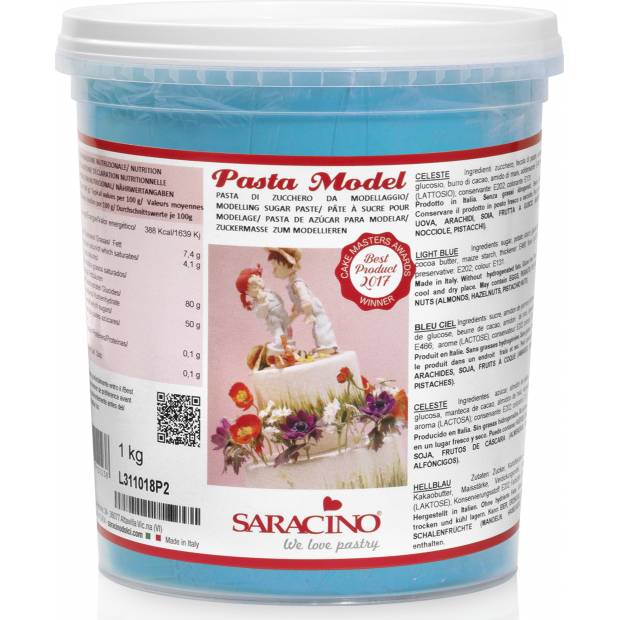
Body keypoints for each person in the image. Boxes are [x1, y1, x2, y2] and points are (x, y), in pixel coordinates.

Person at [266, 248, 338, 353]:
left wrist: (308, 314)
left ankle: (328, 346)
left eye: (275, 267)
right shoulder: (292, 283)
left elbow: (305, 299)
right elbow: (298, 302)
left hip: (313, 308)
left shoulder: (297, 283)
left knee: (321, 325)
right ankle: (323, 345)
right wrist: (293, 315)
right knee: (317, 328)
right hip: (308, 309)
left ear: (286, 265)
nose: (273, 272)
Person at [235, 265, 290, 355]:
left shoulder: (269, 292)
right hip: (274, 321)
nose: (259, 285)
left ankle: (288, 349)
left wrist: (282, 306)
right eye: (254, 286)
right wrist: (262, 302)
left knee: (289, 332)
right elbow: (260, 315)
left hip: (283, 314)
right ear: (247, 292)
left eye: (259, 280)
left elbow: (279, 298)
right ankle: (280, 349)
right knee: (280, 335)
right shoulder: (256, 302)